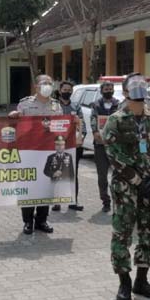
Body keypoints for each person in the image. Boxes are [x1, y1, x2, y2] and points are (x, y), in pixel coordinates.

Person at [103, 73, 150, 300]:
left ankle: (141, 281)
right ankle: (124, 282)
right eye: (135, 86)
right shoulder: (116, 120)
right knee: (122, 233)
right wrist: (137, 181)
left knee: (148, 232)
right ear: (125, 92)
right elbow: (113, 154)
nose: (140, 89)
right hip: (126, 188)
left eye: (143, 85)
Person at [8, 74, 61, 235]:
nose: (47, 86)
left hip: (49, 152)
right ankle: (28, 222)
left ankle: (42, 220)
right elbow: (16, 127)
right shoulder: (25, 104)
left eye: (50, 83)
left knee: (46, 186)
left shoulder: (56, 105)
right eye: (44, 83)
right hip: (29, 153)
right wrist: (12, 118)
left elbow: (61, 127)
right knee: (29, 186)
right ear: (36, 86)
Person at [54, 80, 85, 212]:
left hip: (74, 146)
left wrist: (81, 137)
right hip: (57, 145)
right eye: (65, 90)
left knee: (73, 174)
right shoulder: (54, 106)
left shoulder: (76, 106)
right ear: (60, 91)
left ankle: (73, 201)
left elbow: (82, 125)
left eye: (69, 90)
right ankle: (57, 202)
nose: (67, 92)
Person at [90, 81, 119, 213]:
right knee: (102, 176)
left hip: (115, 145)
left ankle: (117, 200)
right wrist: (95, 132)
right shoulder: (96, 104)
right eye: (106, 89)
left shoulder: (118, 104)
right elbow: (93, 119)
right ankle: (105, 201)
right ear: (101, 90)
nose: (108, 90)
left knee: (118, 174)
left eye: (110, 88)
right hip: (100, 145)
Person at [44, 135, 75, 201]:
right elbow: (45, 171)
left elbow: (71, 172)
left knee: (64, 206)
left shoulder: (69, 156)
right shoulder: (51, 157)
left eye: (62, 144)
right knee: (56, 202)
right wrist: (53, 174)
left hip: (65, 184)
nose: (60, 146)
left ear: (64, 146)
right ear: (55, 146)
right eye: (58, 144)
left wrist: (72, 186)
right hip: (55, 184)